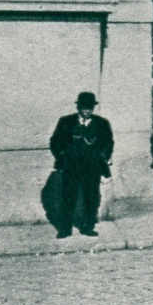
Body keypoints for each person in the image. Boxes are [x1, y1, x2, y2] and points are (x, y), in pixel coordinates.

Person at [49, 92, 115, 238]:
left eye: (90, 108)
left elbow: (108, 143)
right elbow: (55, 142)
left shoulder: (102, 123)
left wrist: (103, 157)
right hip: (71, 167)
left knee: (92, 198)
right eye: (84, 107)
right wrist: (62, 156)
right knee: (68, 197)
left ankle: (88, 226)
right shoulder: (66, 122)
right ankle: (65, 229)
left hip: (92, 168)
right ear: (78, 107)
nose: (86, 111)